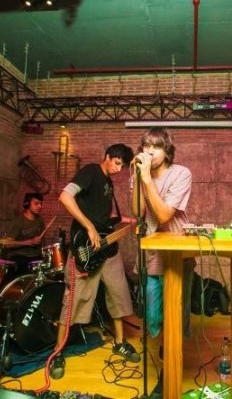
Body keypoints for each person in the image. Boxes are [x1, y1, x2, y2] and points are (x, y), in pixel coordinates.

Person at [52, 143, 140, 379]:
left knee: (119, 295)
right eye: (117, 163)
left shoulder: (109, 183)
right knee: (72, 301)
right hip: (86, 249)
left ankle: (120, 342)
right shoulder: (91, 171)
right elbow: (65, 196)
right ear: (107, 156)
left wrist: (131, 221)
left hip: (108, 249)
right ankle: (57, 352)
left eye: (122, 166)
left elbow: (108, 216)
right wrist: (89, 227)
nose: (118, 169)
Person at [131, 127, 193, 398]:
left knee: (175, 316)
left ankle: (168, 373)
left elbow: (164, 215)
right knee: (153, 317)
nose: (149, 151)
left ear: (167, 151)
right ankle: (164, 347)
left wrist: (146, 179)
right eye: (146, 145)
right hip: (151, 254)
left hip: (177, 254)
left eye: (156, 146)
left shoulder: (181, 173)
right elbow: (137, 212)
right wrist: (138, 178)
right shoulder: (140, 174)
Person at [2, 192, 46, 277]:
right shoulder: (19, 221)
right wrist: (29, 242)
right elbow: (7, 244)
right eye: (36, 203)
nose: (40, 206)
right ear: (27, 204)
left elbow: (43, 242)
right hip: (20, 257)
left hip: (36, 256)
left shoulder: (40, 220)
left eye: (41, 204)